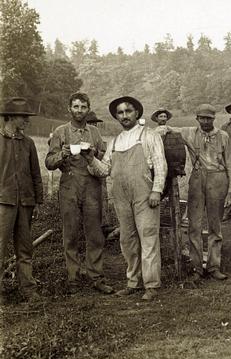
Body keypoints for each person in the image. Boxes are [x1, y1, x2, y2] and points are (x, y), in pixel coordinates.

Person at [88, 96, 167, 301]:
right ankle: (133, 281)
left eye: (128, 111)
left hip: (144, 194)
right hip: (121, 197)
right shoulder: (115, 142)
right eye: (120, 113)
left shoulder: (149, 135)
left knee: (148, 236)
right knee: (127, 240)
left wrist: (156, 190)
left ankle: (151, 285)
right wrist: (90, 159)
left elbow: (160, 165)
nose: (125, 115)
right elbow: (105, 170)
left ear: (137, 113)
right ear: (116, 116)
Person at [156, 104, 231, 281]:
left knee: (215, 225)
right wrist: (160, 129)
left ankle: (214, 266)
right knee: (194, 225)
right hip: (198, 179)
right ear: (197, 119)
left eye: (208, 118)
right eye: (202, 118)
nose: (205, 121)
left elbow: (230, 162)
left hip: (218, 178)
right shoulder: (189, 132)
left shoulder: (223, 136)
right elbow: (168, 128)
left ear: (214, 119)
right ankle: (196, 268)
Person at [45, 92, 114, 295]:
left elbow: (103, 158)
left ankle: (96, 277)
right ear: (69, 109)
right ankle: (73, 276)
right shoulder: (60, 132)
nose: (79, 111)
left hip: (92, 187)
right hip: (69, 186)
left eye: (83, 107)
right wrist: (62, 154)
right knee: (71, 234)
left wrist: (93, 154)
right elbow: (49, 162)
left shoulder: (95, 132)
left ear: (88, 108)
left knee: (95, 234)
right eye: (75, 107)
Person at [0, 97, 43, 303]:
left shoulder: (29, 143)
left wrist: (37, 202)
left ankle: (29, 290)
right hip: (3, 204)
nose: (27, 120)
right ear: (9, 117)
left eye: (28, 116)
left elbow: (36, 174)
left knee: (25, 249)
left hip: (25, 204)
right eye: (23, 116)